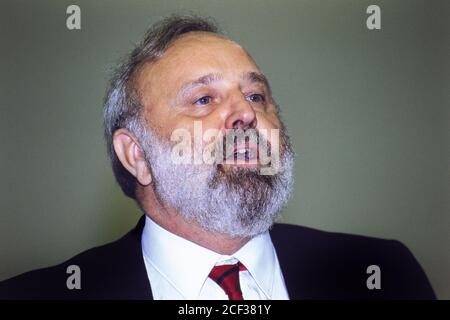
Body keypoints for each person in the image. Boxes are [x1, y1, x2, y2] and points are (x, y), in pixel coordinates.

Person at [0, 15, 435, 300]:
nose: (247, 112)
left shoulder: (384, 275)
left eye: (256, 95)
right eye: (204, 98)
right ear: (137, 156)